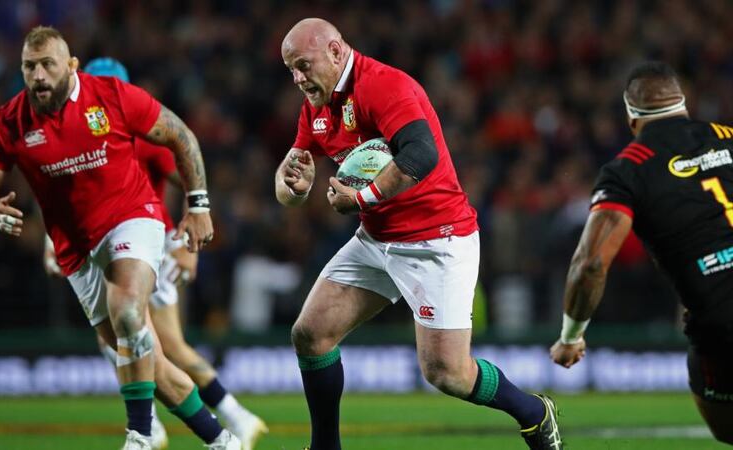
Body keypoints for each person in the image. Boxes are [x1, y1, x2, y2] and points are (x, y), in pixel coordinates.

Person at [275, 18, 562, 450]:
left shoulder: (383, 85)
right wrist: (293, 188)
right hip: (377, 240)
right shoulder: (315, 106)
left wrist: (361, 198)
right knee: (311, 334)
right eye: (290, 70)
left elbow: (421, 154)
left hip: (435, 238)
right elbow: (288, 181)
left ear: (335, 51)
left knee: (447, 373)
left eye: (303, 65)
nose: (298, 78)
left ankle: (534, 413)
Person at [0, 26, 241, 450]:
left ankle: (139, 436)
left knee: (127, 309)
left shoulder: (111, 96)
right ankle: (222, 441)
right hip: (76, 248)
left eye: (47, 64)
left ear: (72, 66)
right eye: (29, 66)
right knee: (151, 363)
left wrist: (198, 206)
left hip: (134, 218)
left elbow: (180, 135)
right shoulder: (11, 121)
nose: (38, 75)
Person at [41, 57, 268, 450]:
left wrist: (187, 245)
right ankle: (211, 421)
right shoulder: (88, 140)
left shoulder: (139, 138)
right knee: (136, 341)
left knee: (147, 341)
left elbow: (189, 174)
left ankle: (178, 426)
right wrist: (53, 244)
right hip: (116, 247)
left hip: (149, 246)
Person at [550, 61, 733, 445]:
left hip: (721, 323)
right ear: (684, 104)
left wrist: (570, 337)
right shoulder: (728, 135)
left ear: (631, 118)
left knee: (727, 428)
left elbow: (591, 263)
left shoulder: (627, 170)